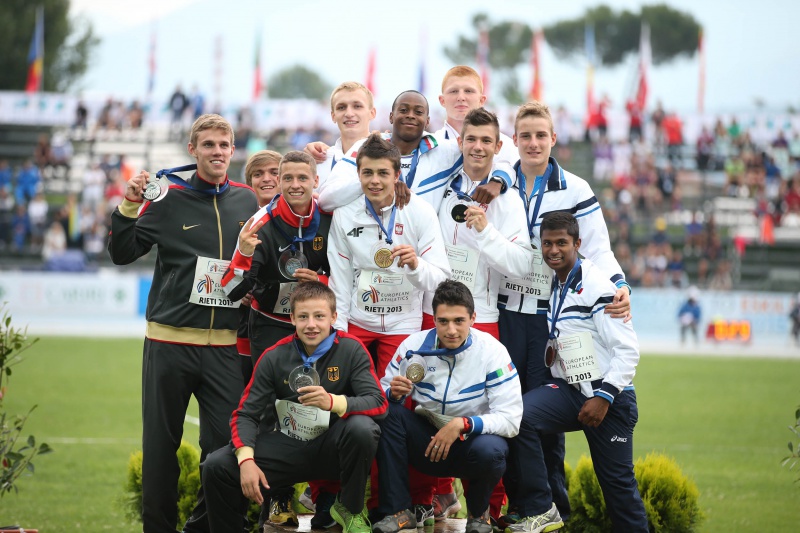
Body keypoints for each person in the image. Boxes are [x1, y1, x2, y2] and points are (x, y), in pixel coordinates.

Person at [108, 114, 257, 533]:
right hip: (168, 345)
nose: (217, 152)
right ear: (193, 150)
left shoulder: (247, 201)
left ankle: (204, 528)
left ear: (233, 150)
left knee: (225, 452)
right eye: (208, 145)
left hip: (224, 348)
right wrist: (129, 205)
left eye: (223, 145)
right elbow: (122, 253)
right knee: (160, 450)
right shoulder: (167, 198)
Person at [497, 101, 631, 527]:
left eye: (541, 135)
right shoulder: (500, 184)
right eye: (525, 135)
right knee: (509, 409)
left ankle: (554, 509)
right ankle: (522, 505)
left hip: (550, 317)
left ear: (553, 139)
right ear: (514, 140)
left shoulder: (575, 187)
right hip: (504, 311)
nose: (533, 143)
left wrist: (620, 285)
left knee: (545, 421)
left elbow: (598, 248)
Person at [201, 281, 387, 533]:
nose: (311, 324)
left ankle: (351, 509)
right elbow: (245, 414)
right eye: (303, 317)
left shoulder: (351, 349)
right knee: (216, 466)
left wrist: (333, 402)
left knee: (362, 428)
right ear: (292, 319)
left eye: (319, 316)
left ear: (334, 317)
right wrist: (246, 460)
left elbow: (378, 403)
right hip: (290, 446)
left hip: (334, 449)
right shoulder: (274, 356)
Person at [505, 211, 648, 533]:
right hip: (572, 392)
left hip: (609, 400)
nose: (553, 250)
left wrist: (604, 398)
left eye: (561, 243)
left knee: (618, 488)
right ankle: (542, 508)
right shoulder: (558, 283)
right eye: (547, 243)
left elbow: (628, 351)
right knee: (519, 416)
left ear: (577, 244)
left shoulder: (597, 286)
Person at [424, 107, 531, 521]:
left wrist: (485, 231)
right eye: (471, 139)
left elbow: (521, 265)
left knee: (483, 409)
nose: (478, 147)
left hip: (481, 314)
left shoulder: (509, 199)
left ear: (498, 146)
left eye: (487, 140)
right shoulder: (441, 187)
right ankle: (434, 496)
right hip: (432, 311)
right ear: (460, 142)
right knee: (428, 403)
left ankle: (487, 509)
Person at [221, 150, 335, 528]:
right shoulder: (260, 224)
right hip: (271, 324)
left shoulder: (331, 217)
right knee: (274, 410)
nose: (295, 185)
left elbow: (351, 274)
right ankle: (279, 498)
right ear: (280, 183)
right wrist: (243, 255)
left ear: (316, 181)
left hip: (319, 324)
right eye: (288, 179)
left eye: (303, 178)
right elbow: (231, 290)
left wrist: (322, 282)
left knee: (325, 403)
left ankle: (326, 499)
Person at [372, 279, 522, 533]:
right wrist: (392, 393)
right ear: (433, 319)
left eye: (459, 321)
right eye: (443, 321)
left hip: (471, 444)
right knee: (388, 415)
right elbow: (382, 394)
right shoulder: (411, 347)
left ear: (473, 318)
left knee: (493, 449)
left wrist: (463, 424)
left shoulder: (493, 352)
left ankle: (479, 515)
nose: (451, 330)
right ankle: (398, 511)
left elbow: (511, 419)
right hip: (427, 444)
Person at [327, 133, 450, 377]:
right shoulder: (344, 214)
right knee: (353, 388)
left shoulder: (420, 211)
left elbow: (440, 278)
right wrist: (338, 331)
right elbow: (340, 279)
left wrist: (416, 265)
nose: (375, 181)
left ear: (396, 176)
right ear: (358, 174)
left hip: (403, 322)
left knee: (396, 392)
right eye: (367, 173)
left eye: (383, 173)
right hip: (358, 320)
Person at [317, 90, 512, 213]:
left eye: (418, 112)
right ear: (391, 116)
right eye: (403, 110)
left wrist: (498, 181)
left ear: (427, 121)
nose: (410, 116)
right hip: (373, 252)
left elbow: (505, 162)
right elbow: (326, 200)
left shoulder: (445, 150)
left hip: (421, 257)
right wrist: (378, 182)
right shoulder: (364, 148)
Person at [435, 66, 518, 164]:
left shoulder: (507, 148)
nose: (461, 97)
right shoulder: (431, 146)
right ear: (442, 100)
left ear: (481, 100)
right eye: (454, 91)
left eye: (468, 91)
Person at [316, 81, 376, 190]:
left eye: (357, 106)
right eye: (341, 107)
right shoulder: (320, 162)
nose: (349, 114)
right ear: (333, 116)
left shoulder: (391, 156)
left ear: (372, 113)